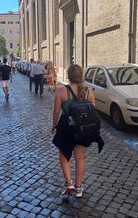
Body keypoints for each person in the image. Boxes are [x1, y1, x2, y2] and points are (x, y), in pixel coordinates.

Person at [51, 64, 96, 198]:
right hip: (82, 129)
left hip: (66, 127)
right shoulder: (89, 92)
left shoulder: (61, 91)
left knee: (64, 155)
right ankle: (78, 188)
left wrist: (54, 125)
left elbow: (57, 111)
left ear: (69, 76)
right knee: (80, 158)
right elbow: (92, 111)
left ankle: (69, 183)